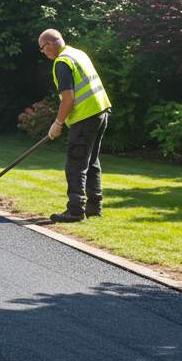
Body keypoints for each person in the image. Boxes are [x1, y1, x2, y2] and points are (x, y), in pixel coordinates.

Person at [38, 28, 111, 222]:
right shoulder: (78, 53)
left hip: (84, 117)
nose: (43, 52)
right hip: (101, 111)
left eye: (42, 48)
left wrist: (58, 123)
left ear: (50, 44)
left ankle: (76, 210)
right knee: (91, 162)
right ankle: (94, 207)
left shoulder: (62, 62)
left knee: (75, 164)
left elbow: (68, 98)